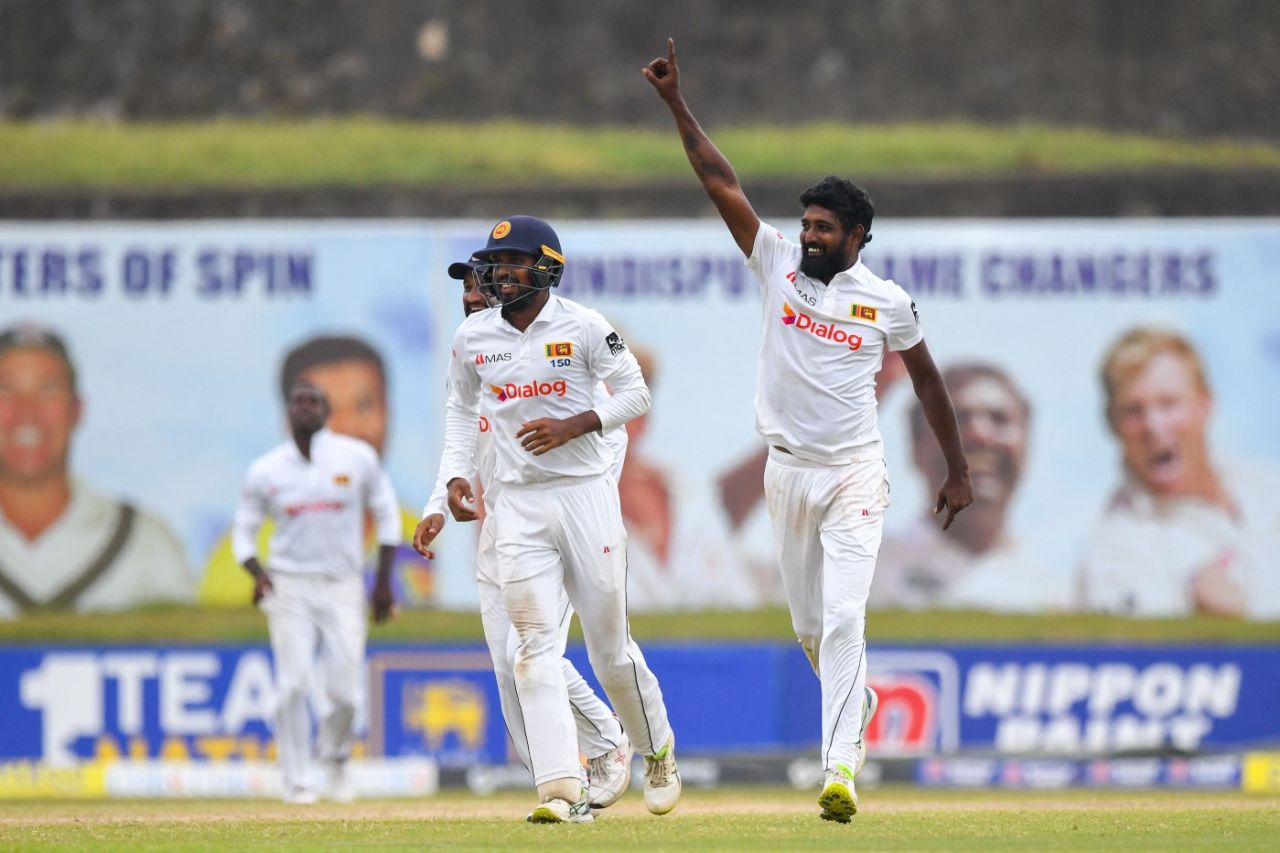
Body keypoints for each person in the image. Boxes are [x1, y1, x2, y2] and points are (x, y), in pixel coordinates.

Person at [645, 39, 973, 823]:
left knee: (845, 614)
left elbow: (927, 380)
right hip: (786, 475)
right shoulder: (776, 263)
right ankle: (849, 708)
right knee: (809, 628)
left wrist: (956, 472)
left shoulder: (887, 302)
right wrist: (676, 105)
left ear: (859, 235)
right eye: (808, 223)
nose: (811, 234)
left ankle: (839, 770)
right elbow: (718, 180)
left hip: (856, 472)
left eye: (826, 226)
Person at [425, 215, 681, 823]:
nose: (501, 273)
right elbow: (461, 413)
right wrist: (456, 480)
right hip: (515, 505)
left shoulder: (586, 326)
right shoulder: (473, 338)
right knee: (531, 649)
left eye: (514, 262)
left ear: (546, 267)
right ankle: (562, 790)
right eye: (497, 263)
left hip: (584, 495)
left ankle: (658, 750)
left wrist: (577, 424)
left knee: (608, 652)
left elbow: (636, 395)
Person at [232, 382, 400, 804]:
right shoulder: (265, 470)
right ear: (287, 413)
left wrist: (382, 583)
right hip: (288, 585)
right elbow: (243, 536)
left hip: (344, 584)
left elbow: (387, 517)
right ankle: (297, 777)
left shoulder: (356, 458)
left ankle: (335, 758)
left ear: (326, 412)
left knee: (345, 692)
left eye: (314, 402)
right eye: (298, 403)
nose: (306, 409)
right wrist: (259, 574)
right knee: (292, 684)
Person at [200, 335, 432, 608]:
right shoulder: (237, 559)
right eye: (327, 409)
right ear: (290, 421)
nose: (349, 428)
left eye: (365, 405)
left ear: (389, 411)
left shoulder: (427, 536)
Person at [1077, 328, 1280, 619]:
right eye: (1133, 411)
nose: (1154, 425)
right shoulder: (1113, 556)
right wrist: (1220, 621)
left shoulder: (1270, 489)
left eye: (1169, 403)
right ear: (1112, 424)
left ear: (1205, 404)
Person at [0, 322, 192, 616]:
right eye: (6, 390)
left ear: (77, 410)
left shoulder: (144, 541)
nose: (27, 411)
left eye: (48, 390)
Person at [875, 363, 1065, 611]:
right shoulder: (863, 573)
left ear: (1027, 448)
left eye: (1000, 419)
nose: (979, 434)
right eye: (956, 419)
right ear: (916, 447)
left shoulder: (1055, 599)